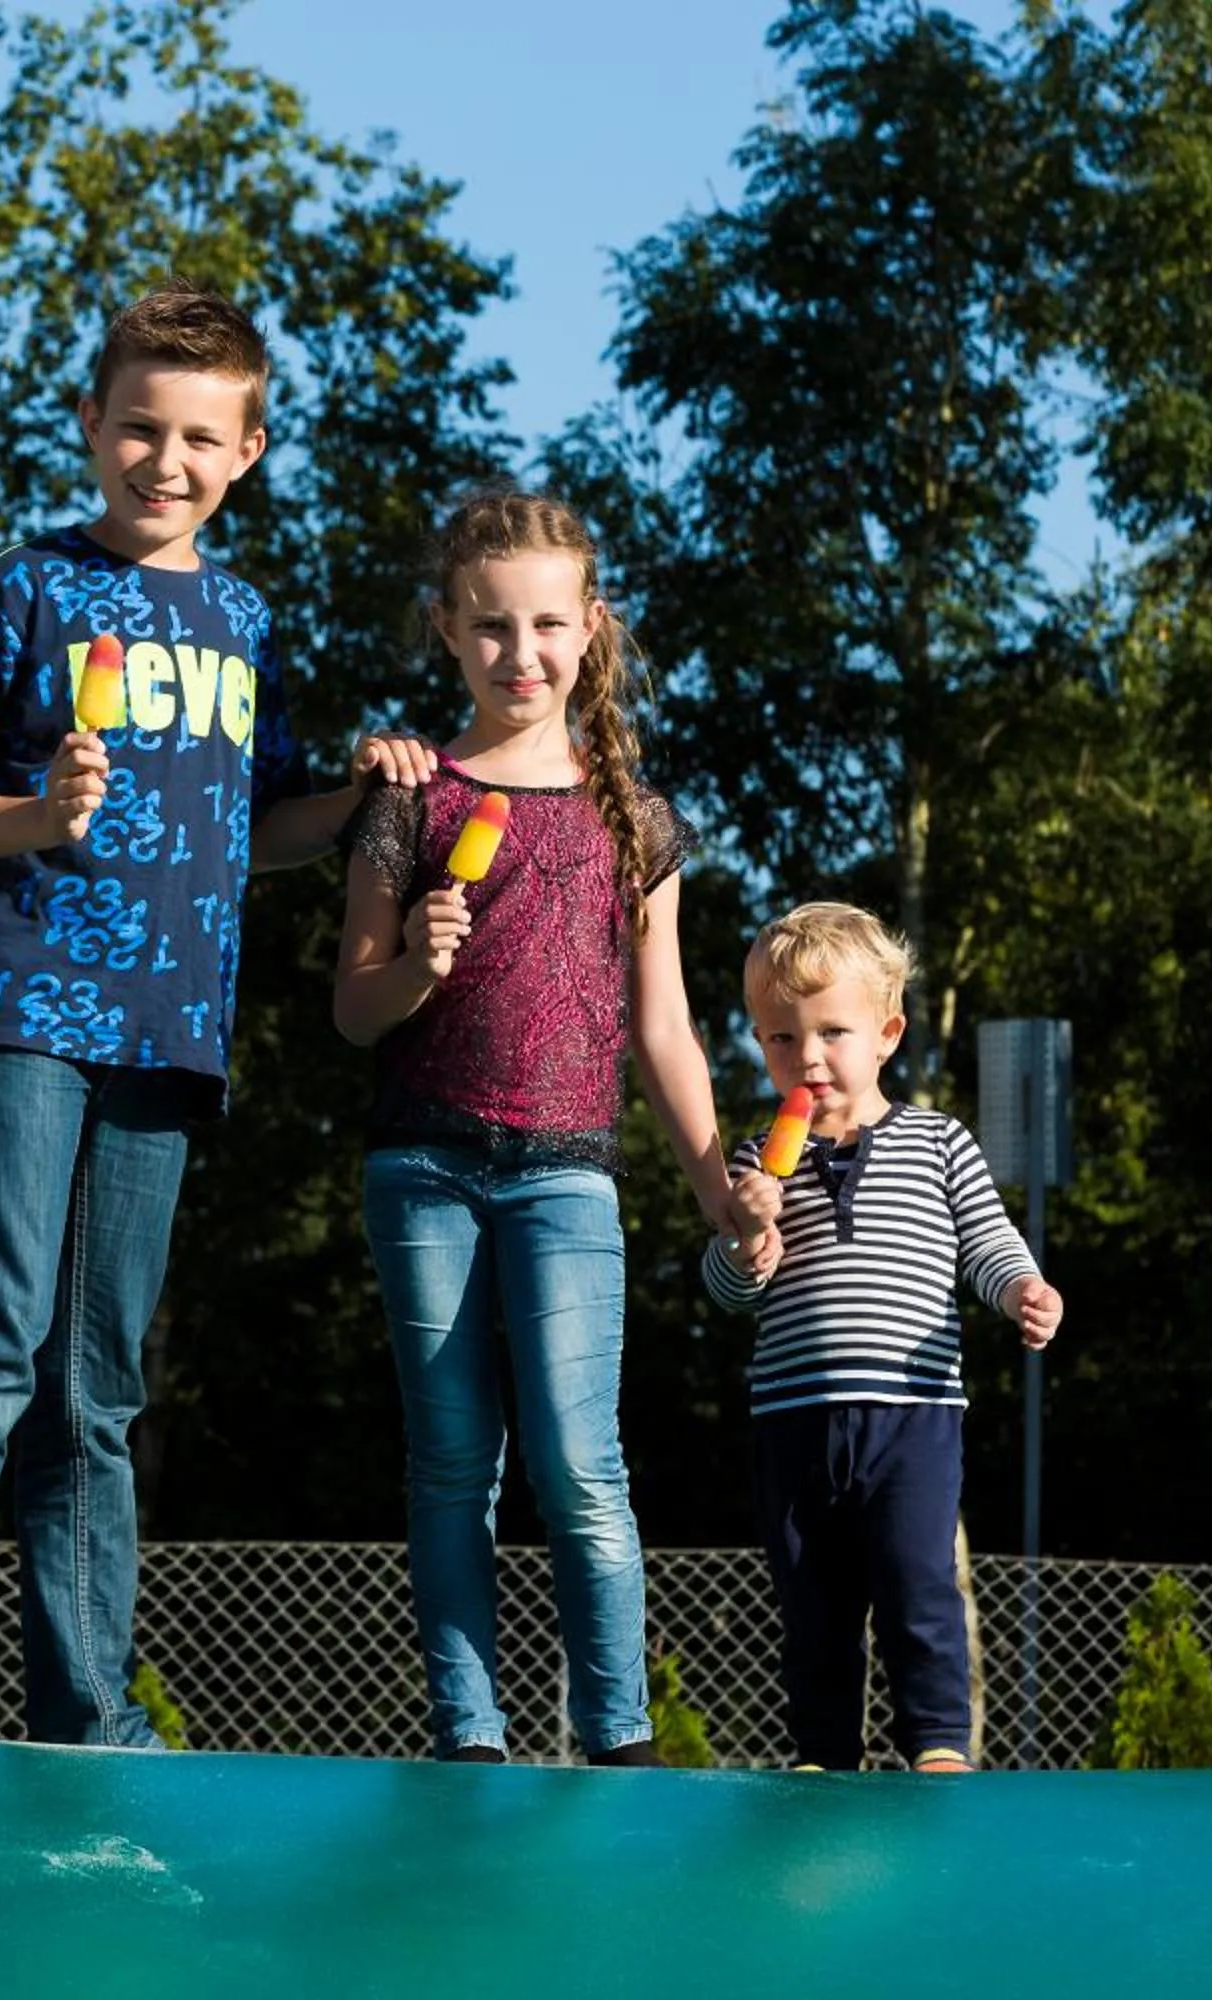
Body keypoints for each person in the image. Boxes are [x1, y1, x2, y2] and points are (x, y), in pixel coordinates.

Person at [0, 284, 432, 1746]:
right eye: (139, 428)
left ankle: (86, 1704)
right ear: (90, 424)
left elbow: (258, 827)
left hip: (168, 1034)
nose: (166, 461)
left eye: (200, 438)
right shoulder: (21, 588)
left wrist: (363, 792)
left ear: (249, 452)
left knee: (97, 1387)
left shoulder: (244, 619)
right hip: (20, 1006)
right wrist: (35, 813)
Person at [333, 488, 753, 1767]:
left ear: (592, 627)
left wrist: (718, 1193)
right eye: (491, 626)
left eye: (548, 624)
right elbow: (356, 1009)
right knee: (454, 1460)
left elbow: (665, 1030)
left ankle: (619, 1736)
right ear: (447, 630)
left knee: (580, 1463)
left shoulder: (636, 818)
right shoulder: (410, 799)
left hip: (568, 1175)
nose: (522, 653)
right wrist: (417, 963)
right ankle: (468, 1731)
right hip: (423, 1167)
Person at [703, 901, 1063, 1772]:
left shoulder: (939, 1143)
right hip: (792, 1419)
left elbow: (986, 1241)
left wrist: (1022, 1288)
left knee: (917, 1583)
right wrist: (744, 1238)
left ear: (887, 1034)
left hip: (913, 1415)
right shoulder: (753, 1163)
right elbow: (726, 1292)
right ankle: (823, 1754)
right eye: (782, 1037)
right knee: (812, 1602)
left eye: (833, 1032)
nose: (808, 1056)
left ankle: (937, 1745)